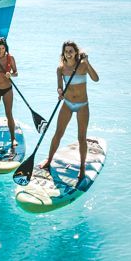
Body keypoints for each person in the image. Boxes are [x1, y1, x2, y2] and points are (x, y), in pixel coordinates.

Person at [40, 41, 99, 185]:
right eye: (66, 51)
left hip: (82, 105)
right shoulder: (60, 68)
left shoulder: (83, 65)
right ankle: (49, 160)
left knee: (81, 137)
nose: (68, 53)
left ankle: (83, 167)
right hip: (67, 104)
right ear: (63, 53)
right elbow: (60, 87)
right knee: (58, 133)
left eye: (71, 51)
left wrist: (87, 62)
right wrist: (60, 92)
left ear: (75, 52)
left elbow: (96, 79)